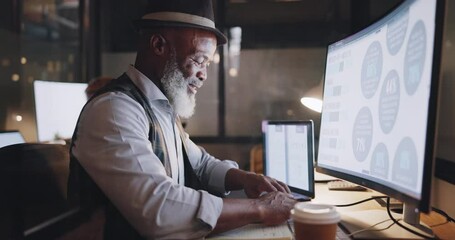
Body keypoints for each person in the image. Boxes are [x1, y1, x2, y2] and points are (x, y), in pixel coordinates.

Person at [68, 0, 297, 239]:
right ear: (158, 45)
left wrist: (248, 179)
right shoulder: (115, 110)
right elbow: (160, 209)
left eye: (207, 64)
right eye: (199, 60)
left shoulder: (161, 110)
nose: (203, 75)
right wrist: (260, 208)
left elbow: (201, 164)